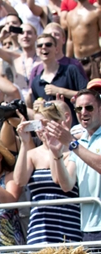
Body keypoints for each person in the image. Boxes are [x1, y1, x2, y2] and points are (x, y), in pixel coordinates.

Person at [12, 100, 82, 245]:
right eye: (37, 125)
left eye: (45, 124)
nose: (40, 130)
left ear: (58, 123)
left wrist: (54, 150)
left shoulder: (73, 151)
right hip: (40, 230)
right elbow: (19, 181)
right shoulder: (33, 154)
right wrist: (25, 143)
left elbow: (62, 183)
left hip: (68, 227)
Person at [44, 90, 101, 245]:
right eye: (78, 109)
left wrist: (71, 143)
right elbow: (67, 184)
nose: (83, 113)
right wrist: (56, 154)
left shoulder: (76, 144)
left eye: (89, 108)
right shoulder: (80, 143)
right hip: (87, 229)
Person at [63, 0, 101, 66]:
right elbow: (70, 40)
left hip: (95, 59)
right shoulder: (70, 15)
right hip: (77, 61)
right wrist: (67, 62)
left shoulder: (96, 12)